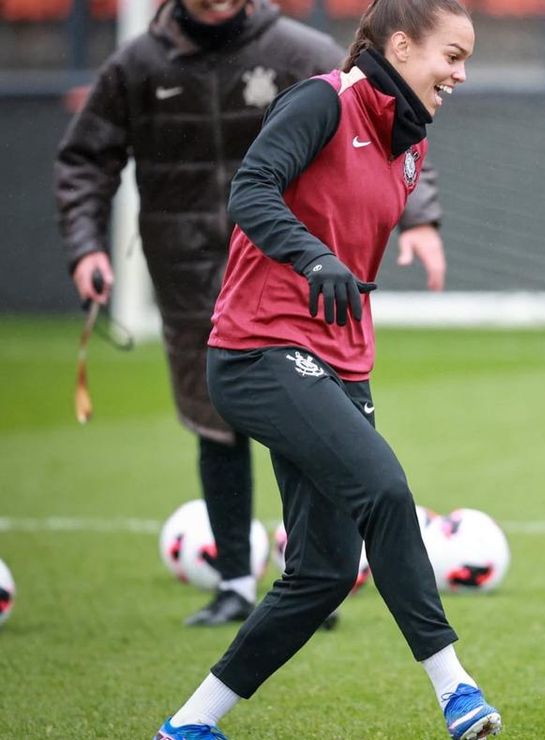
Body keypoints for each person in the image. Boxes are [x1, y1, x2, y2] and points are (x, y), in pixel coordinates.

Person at [152, 1, 503, 738]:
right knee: (384, 488)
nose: (461, 74)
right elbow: (250, 191)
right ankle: (456, 690)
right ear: (402, 46)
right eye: (452, 55)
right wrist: (313, 255)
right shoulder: (321, 100)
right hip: (256, 351)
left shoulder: (410, 146)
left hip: (340, 361)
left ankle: (189, 725)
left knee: (322, 574)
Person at [55, 0, 446, 628]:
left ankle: (311, 577)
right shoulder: (137, 63)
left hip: (292, 263)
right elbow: (85, 157)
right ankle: (236, 579)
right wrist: (86, 246)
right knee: (213, 422)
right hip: (186, 268)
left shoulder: (297, 51)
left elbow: (386, 122)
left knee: (306, 419)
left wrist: (420, 216)